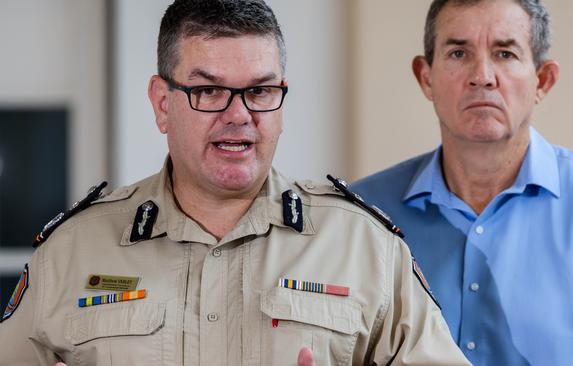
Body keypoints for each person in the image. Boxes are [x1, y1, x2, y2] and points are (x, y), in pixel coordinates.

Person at [0, 1, 472, 365]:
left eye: (260, 91)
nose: (239, 115)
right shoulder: (71, 250)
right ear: (162, 103)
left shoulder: (364, 246)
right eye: (209, 91)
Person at [351, 0, 573, 365]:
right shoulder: (363, 212)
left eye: (505, 54)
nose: (482, 75)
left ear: (543, 80)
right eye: (459, 52)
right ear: (425, 77)